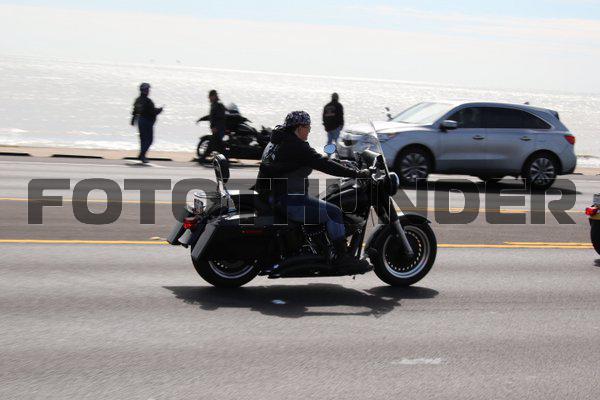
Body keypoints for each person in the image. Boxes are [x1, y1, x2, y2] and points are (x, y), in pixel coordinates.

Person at [255, 111, 371, 269]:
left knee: (323, 203)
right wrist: (355, 173)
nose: (309, 130)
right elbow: (322, 164)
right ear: (299, 128)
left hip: (273, 197)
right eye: (308, 127)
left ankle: (319, 246)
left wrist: (341, 163)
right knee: (334, 213)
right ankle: (342, 258)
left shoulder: (277, 142)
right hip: (290, 200)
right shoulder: (296, 146)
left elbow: (315, 159)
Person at [130, 83, 163, 163]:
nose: (149, 91)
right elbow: (152, 112)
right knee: (149, 140)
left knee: (143, 139)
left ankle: (142, 155)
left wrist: (133, 120)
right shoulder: (148, 101)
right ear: (145, 90)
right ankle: (142, 155)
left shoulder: (138, 100)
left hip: (140, 121)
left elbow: (135, 111)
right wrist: (159, 110)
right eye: (148, 89)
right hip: (147, 121)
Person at [201, 89, 227, 162]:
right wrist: (201, 119)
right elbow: (211, 116)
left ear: (214, 96)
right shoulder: (214, 104)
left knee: (214, 144)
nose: (209, 98)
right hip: (216, 128)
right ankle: (203, 158)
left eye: (210, 96)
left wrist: (215, 127)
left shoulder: (218, 105)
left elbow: (219, 118)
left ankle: (202, 159)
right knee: (217, 145)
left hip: (219, 129)